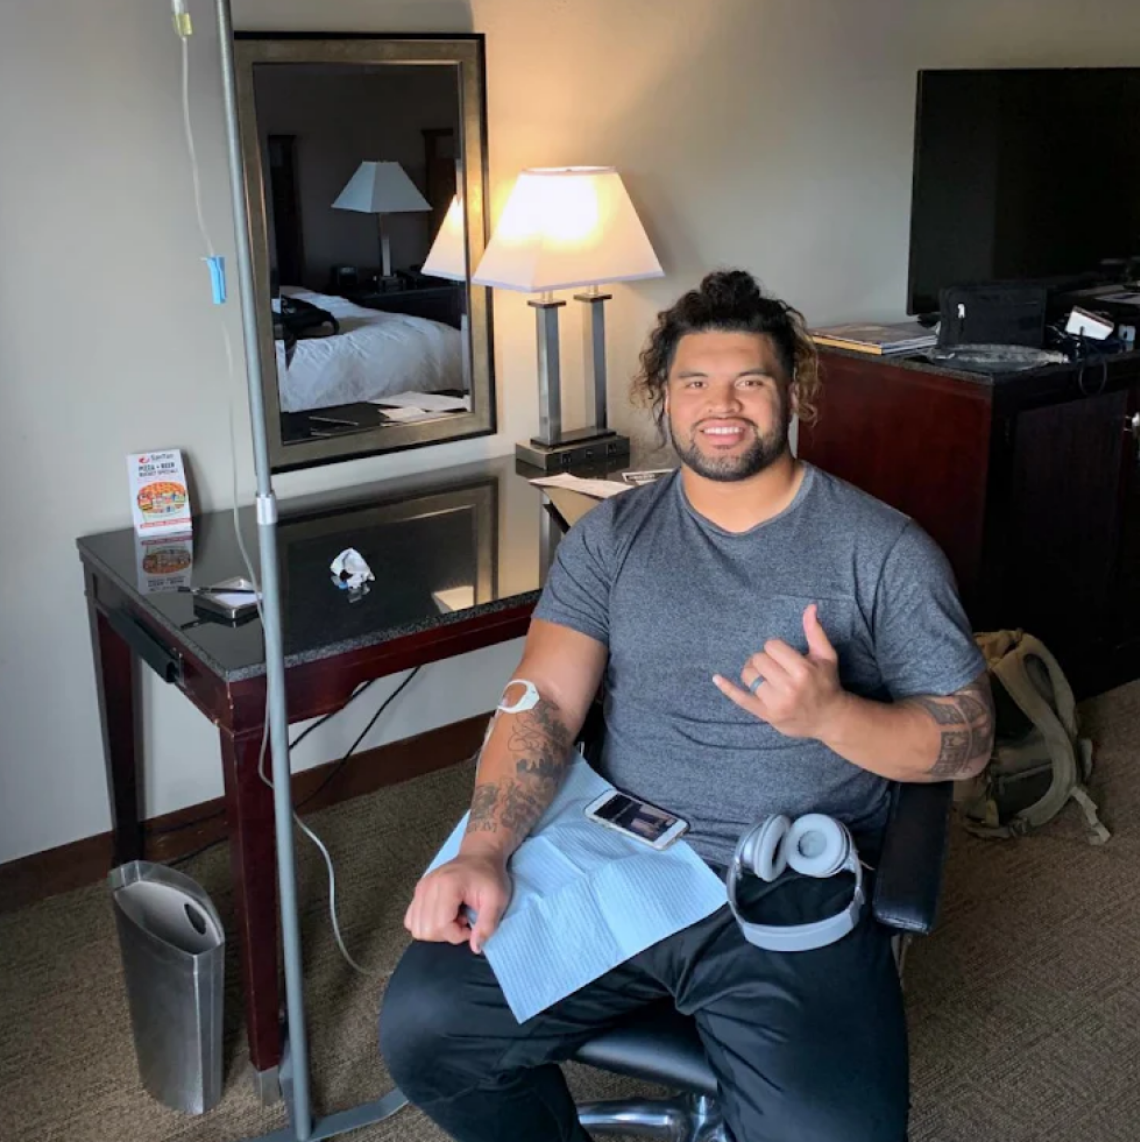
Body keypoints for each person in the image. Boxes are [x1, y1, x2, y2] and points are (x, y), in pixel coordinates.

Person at [379, 270, 994, 1142]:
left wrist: (833, 718)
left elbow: (967, 739)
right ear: (660, 398)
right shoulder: (611, 538)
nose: (723, 405)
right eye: (695, 382)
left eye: (751, 381)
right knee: (427, 1031)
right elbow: (546, 700)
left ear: (794, 395)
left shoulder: (881, 549)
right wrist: (484, 846)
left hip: (785, 884)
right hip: (616, 858)